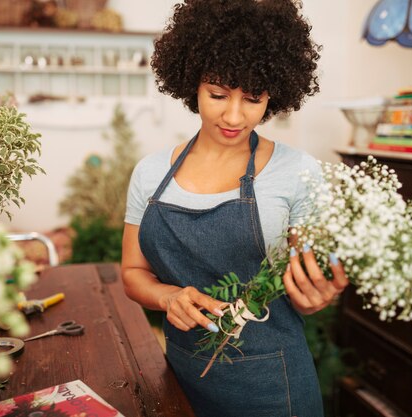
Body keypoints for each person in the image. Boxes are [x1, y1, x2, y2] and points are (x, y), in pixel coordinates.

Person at [121, 1, 349, 416]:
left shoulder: (297, 171)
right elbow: (133, 274)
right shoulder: (150, 172)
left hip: (273, 388)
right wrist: (168, 296)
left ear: (275, 93)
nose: (233, 115)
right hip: (181, 378)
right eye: (218, 94)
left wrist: (317, 295)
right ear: (190, 83)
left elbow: (304, 286)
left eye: (253, 98)